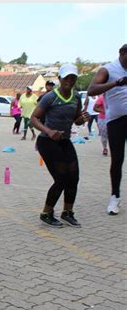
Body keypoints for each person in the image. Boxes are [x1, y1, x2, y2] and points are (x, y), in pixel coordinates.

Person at [31, 64, 89, 228]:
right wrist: (48, 131)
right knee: (61, 178)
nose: (69, 81)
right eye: (66, 78)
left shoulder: (76, 97)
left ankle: (67, 212)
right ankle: (46, 213)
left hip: (64, 141)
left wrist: (82, 118)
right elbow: (33, 119)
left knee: (74, 177)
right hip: (47, 142)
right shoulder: (50, 97)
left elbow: (76, 119)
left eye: (73, 78)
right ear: (60, 79)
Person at [87, 44, 127, 215]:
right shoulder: (108, 70)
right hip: (116, 120)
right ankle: (114, 197)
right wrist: (116, 83)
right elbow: (91, 90)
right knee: (117, 159)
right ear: (122, 53)